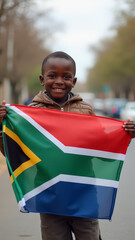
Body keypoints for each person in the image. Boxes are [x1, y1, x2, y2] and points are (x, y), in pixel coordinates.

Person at [0, 51, 135, 240]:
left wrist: (125, 135)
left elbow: (100, 146)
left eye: (66, 77)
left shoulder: (85, 109)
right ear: (42, 79)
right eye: (52, 76)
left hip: (83, 192)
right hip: (49, 193)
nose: (59, 81)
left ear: (74, 81)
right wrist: (2, 127)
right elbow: (15, 152)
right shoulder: (31, 114)